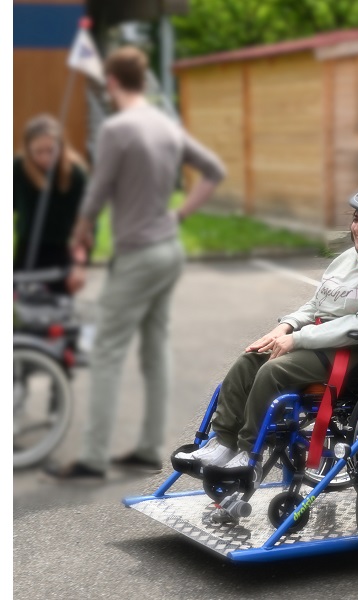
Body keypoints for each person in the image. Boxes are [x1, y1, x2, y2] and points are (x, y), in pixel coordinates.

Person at [45, 46, 227, 480]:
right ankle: (147, 449)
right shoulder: (165, 126)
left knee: (106, 349)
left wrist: (80, 233)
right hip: (168, 249)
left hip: (138, 254)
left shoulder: (117, 129)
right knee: (154, 346)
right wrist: (180, 215)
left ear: (111, 83)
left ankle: (91, 457)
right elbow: (214, 170)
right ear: (142, 81)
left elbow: (98, 190)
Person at [175, 186, 358, 470]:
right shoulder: (349, 258)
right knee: (249, 360)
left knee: (273, 371)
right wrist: (286, 327)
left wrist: (298, 339)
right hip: (325, 340)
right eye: (356, 218)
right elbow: (318, 304)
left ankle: (247, 451)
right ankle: (223, 442)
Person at [13, 114, 88, 294]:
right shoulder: (18, 170)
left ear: (61, 147)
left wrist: (80, 264)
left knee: (57, 314)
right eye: (38, 151)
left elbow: (87, 221)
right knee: (20, 314)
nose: (45, 157)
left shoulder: (75, 175)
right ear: (27, 149)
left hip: (61, 251)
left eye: (51, 150)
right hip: (27, 249)